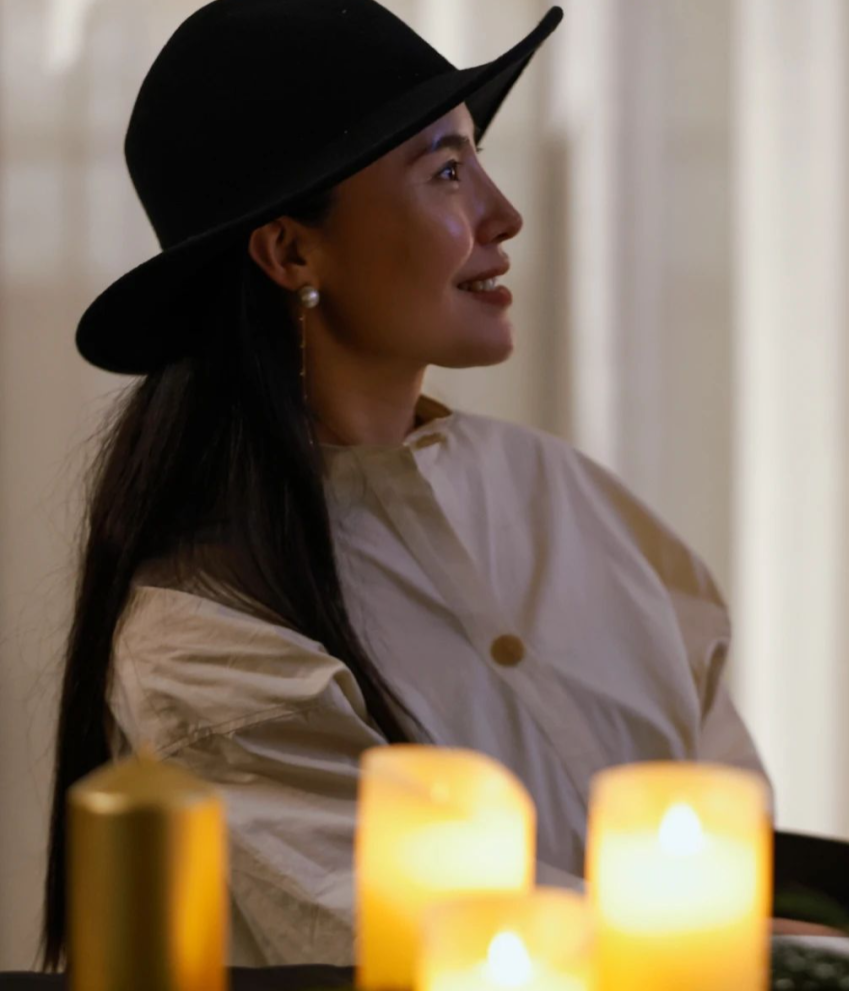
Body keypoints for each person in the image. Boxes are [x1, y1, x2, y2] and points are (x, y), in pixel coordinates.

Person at [40, 0, 768, 969]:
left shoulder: (568, 496)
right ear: (291, 251)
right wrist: (836, 957)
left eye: (476, 159)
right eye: (448, 172)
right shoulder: (204, 632)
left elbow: (736, 833)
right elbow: (437, 937)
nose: (504, 215)